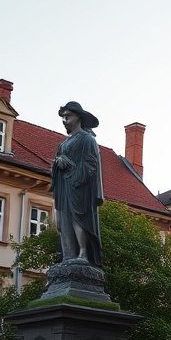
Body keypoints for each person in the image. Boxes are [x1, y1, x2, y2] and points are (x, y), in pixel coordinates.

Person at [51, 101, 104, 266]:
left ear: (78, 117)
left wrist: (73, 170)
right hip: (65, 187)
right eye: (63, 117)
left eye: (67, 116)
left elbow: (91, 165)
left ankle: (83, 253)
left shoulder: (87, 139)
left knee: (78, 219)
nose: (64, 120)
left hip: (80, 187)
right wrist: (58, 163)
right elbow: (57, 165)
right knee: (63, 221)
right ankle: (68, 255)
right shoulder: (64, 144)